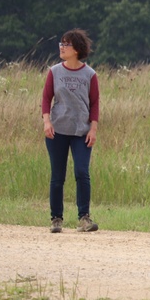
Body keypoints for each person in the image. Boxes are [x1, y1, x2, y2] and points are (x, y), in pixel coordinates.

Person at [42, 29, 100, 233]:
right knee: (58, 176)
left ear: (76, 49)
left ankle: (84, 217)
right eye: (61, 43)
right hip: (57, 130)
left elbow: (94, 104)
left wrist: (93, 129)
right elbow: (46, 98)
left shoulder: (90, 74)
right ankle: (56, 218)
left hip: (81, 131)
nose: (61, 47)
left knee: (82, 172)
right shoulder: (54, 71)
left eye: (66, 44)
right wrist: (47, 121)